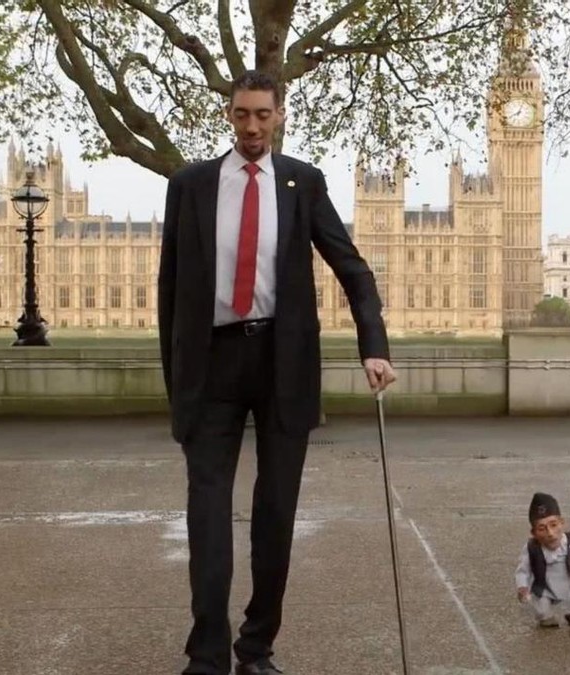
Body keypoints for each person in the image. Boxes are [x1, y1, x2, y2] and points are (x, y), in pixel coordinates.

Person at [158, 69, 396, 675]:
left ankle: (256, 649)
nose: (252, 126)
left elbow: (352, 267)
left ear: (280, 114)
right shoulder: (191, 185)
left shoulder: (302, 183)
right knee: (207, 513)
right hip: (211, 363)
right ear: (229, 115)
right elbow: (171, 290)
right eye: (242, 114)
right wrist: (176, 377)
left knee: (275, 514)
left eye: (263, 114)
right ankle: (206, 655)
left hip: (281, 363)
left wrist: (374, 344)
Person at [514, 492, 570, 629]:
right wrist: (522, 586)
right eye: (542, 528)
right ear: (533, 533)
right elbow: (523, 569)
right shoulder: (532, 548)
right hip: (546, 586)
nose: (550, 533)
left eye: (553, 525)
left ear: (562, 523)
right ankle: (546, 618)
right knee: (541, 605)